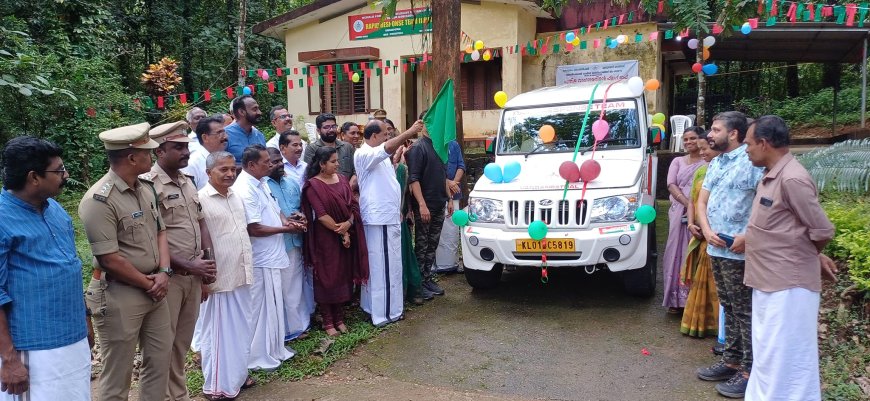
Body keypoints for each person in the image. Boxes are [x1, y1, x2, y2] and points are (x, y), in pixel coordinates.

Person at [742, 116, 836, 401]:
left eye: (748, 144)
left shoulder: (793, 178)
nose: (746, 150)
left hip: (789, 286)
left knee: (786, 357)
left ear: (764, 143)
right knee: (769, 354)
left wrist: (809, 255)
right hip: (769, 280)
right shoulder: (771, 175)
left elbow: (821, 229)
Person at [79, 122, 172, 401]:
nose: (152, 156)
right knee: (116, 375)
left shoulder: (145, 188)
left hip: (155, 287)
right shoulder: (99, 199)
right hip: (119, 293)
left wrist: (165, 272)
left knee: (159, 363)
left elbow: (160, 231)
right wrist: (150, 283)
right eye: (147, 152)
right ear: (132, 157)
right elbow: (109, 259)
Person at [0, 137, 90, 400]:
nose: (66, 174)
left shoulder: (55, 209)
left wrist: (85, 320)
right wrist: (9, 359)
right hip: (33, 349)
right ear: (34, 177)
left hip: (72, 339)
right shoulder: (3, 217)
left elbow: (70, 266)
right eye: (59, 170)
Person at [144, 121, 216, 401]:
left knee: (182, 343)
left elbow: (201, 224)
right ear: (160, 151)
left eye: (186, 146)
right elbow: (151, 238)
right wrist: (190, 266)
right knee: (163, 344)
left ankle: (178, 394)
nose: (186, 152)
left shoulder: (187, 181)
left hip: (194, 276)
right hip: (170, 277)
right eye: (178, 147)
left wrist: (207, 265)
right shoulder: (149, 185)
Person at [695, 111, 764, 398]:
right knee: (729, 306)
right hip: (715, 246)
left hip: (740, 251)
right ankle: (732, 360)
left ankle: (749, 371)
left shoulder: (752, 162)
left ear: (733, 133)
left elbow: (765, 205)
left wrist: (748, 238)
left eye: (715, 129)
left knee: (744, 311)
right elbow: (702, 199)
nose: (709, 135)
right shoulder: (717, 161)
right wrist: (707, 229)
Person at [231, 145, 301, 370]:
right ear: (251, 165)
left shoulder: (260, 183)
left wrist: (288, 222)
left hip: (272, 255)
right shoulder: (245, 188)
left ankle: (273, 349)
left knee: (272, 305)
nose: (271, 165)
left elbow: (275, 209)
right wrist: (287, 231)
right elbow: (254, 228)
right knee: (259, 308)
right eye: (266, 162)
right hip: (260, 258)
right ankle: (256, 356)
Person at [198, 151, 256, 400]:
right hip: (219, 279)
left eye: (233, 169)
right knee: (219, 334)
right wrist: (205, 278)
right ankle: (216, 387)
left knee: (241, 330)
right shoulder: (200, 199)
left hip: (241, 273)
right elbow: (198, 242)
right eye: (224, 169)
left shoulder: (235, 196)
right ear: (208, 172)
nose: (230, 174)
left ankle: (237, 377)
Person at [355, 119, 423, 326]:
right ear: (374, 136)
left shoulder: (380, 155)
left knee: (391, 266)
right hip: (379, 220)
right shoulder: (364, 153)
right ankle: (383, 313)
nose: (388, 137)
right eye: (386, 133)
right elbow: (386, 148)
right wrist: (409, 132)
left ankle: (387, 308)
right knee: (382, 268)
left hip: (389, 217)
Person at [301, 147, 369, 336]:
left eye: (337, 160)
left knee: (342, 275)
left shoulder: (343, 180)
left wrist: (348, 225)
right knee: (327, 277)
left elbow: (353, 207)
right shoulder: (313, 185)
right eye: (333, 161)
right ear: (322, 164)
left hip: (346, 234)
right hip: (326, 238)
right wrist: (342, 232)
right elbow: (321, 215)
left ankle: (339, 318)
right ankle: (328, 321)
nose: (338, 164)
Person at [406, 111, 454, 297]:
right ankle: (418, 285)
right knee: (422, 245)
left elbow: (444, 177)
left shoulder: (439, 147)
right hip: (424, 206)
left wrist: (449, 199)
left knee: (432, 245)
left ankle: (427, 278)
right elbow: (414, 179)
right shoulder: (419, 148)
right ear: (424, 123)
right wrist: (422, 205)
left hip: (439, 203)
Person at [265, 147, 311, 341]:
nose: (279, 165)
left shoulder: (291, 183)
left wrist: (302, 216)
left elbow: (300, 207)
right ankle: (285, 329)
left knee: (296, 285)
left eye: (280, 161)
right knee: (281, 289)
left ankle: (299, 325)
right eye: (273, 162)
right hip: (276, 243)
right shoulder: (263, 187)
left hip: (295, 241)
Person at [680, 132, 721, 338]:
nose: (703, 151)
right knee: (700, 278)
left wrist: (708, 229)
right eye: (701, 148)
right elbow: (693, 201)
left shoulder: (724, 171)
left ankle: (718, 328)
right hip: (700, 230)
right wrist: (691, 223)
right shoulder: (701, 171)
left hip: (716, 235)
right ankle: (699, 323)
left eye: (706, 148)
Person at [662, 127, 705, 314]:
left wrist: (695, 207)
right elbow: (671, 184)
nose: (688, 142)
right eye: (685, 139)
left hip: (702, 211)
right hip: (680, 210)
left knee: (695, 250)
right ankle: (675, 299)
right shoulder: (677, 161)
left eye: (693, 138)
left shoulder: (708, 162)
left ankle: (694, 300)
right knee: (674, 251)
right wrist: (687, 203)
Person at [434, 140, 466, 273]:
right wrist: (448, 183)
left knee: (452, 229)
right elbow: (433, 170)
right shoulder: (433, 143)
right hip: (437, 192)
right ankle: (438, 265)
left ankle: (451, 263)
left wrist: (454, 183)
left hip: (454, 192)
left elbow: (461, 165)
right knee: (439, 229)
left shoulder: (454, 144)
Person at [303, 113, 356, 182]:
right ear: (318, 130)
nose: (331, 130)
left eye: (334, 126)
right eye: (326, 127)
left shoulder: (347, 147)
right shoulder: (312, 149)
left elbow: (357, 171)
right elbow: (311, 175)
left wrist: (347, 188)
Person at [183, 115, 229, 190]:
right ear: (205, 138)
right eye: (219, 133)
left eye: (225, 133)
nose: (225, 137)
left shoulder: (225, 158)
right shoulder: (192, 164)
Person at [225, 96, 266, 163]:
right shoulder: (224, 135)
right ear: (241, 112)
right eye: (255, 109)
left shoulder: (259, 135)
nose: (259, 112)